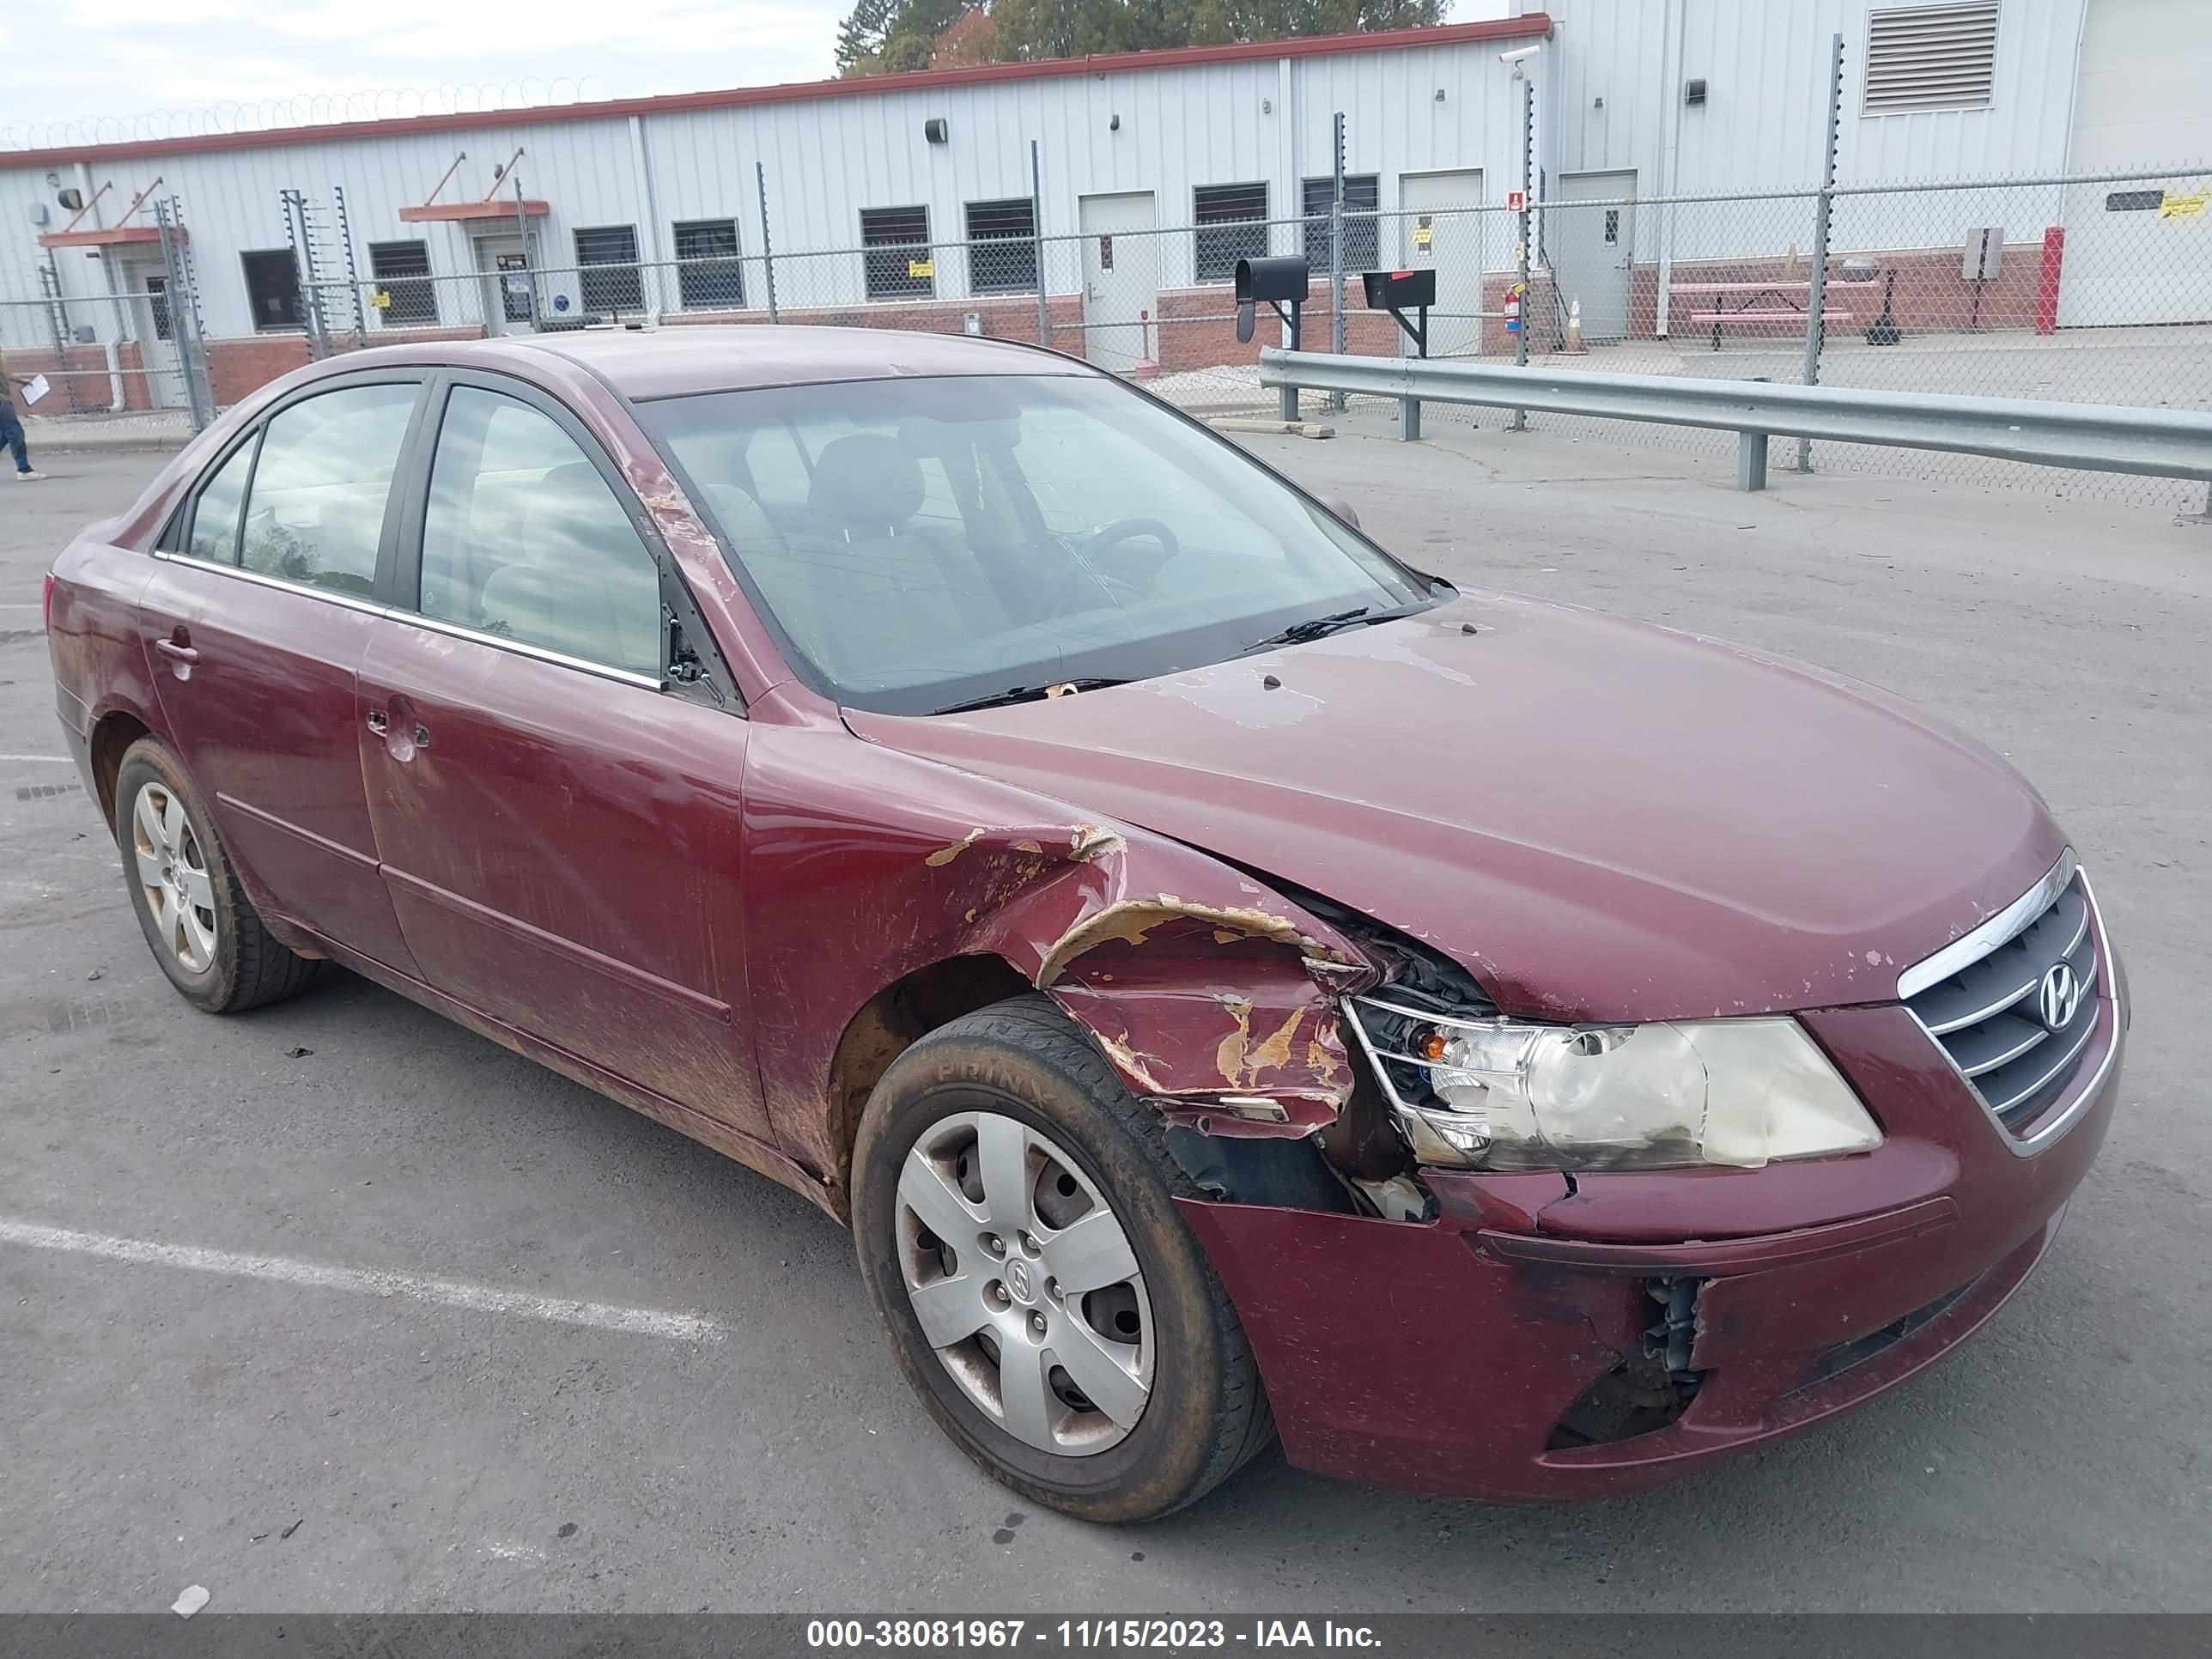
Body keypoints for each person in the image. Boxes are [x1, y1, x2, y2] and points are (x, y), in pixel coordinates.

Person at [2, 344, 48, 481]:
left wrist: (20, 381)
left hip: (4, 395)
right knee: (15, 432)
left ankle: (24, 469)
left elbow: (4, 372)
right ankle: (24, 469)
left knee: (6, 433)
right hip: (1, 399)